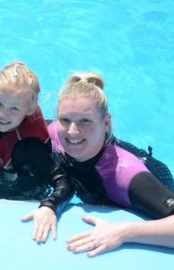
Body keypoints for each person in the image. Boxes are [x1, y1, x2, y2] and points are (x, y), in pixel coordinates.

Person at [48, 72, 174, 256]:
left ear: (106, 123)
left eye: (85, 121)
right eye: (65, 120)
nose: (72, 131)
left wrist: (124, 232)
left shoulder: (124, 175)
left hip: (154, 181)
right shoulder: (54, 133)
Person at [0, 61, 72, 243]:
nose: (2, 114)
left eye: (14, 109)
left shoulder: (30, 147)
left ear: (30, 109)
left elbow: (64, 182)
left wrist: (49, 207)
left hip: (20, 191)